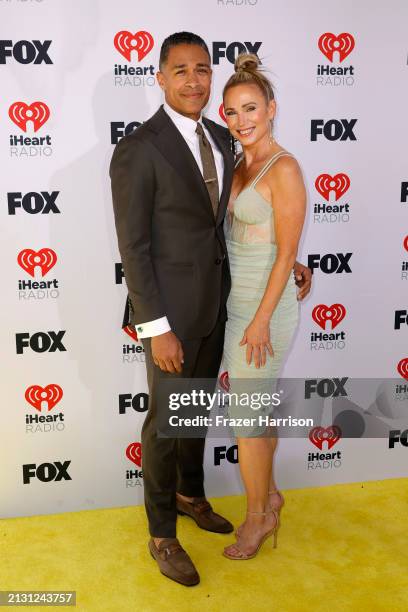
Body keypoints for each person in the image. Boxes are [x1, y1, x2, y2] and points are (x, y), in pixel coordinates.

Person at [110, 32, 311, 586]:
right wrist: (156, 328)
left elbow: (252, 217)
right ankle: (161, 533)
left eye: (202, 69)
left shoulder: (225, 140)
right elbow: (135, 249)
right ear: (160, 76)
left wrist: (290, 261)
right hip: (170, 318)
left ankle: (191, 493)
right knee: (165, 425)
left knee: (195, 414)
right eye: (181, 70)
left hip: (223, 309)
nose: (193, 80)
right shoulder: (139, 148)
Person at [221, 53, 306, 560]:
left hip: (264, 315)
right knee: (255, 413)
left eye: (251, 109)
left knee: (247, 423)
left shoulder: (285, 166)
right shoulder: (239, 161)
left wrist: (259, 321)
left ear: (271, 109)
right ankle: (270, 496)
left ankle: (258, 519)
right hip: (239, 307)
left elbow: (288, 252)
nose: (241, 121)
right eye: (232, 112)